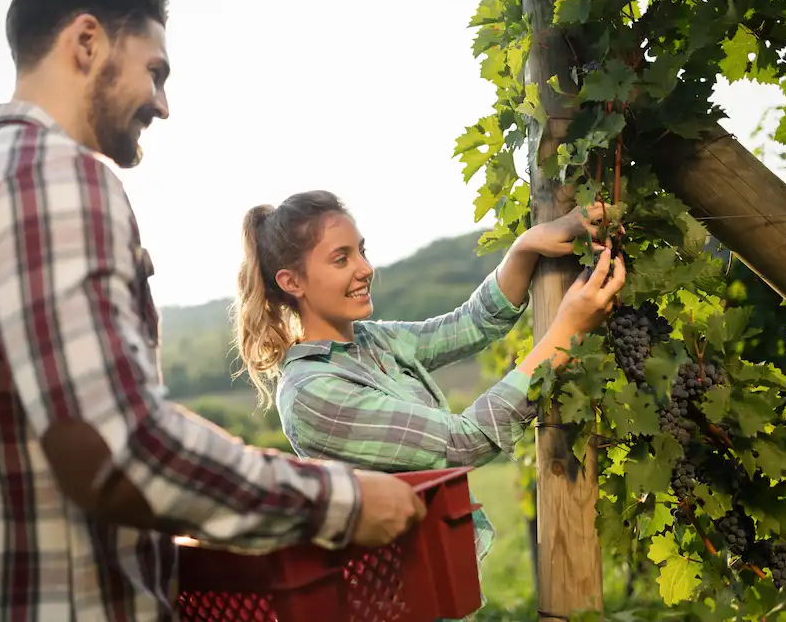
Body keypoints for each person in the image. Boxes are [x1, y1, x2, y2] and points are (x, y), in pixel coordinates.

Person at [0, 0, 426, 620]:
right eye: (154, 72)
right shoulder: (55, 178)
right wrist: (342, 502)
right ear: (86, 43)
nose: (162, 105)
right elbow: (121, 445)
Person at [232, 190, 626, 617]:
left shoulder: (370, 341)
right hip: (391, 604)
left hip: (431, 589)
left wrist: (526, 245)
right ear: (292, 282)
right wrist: (563, 335)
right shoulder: (314, 394)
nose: (366, 269)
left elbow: (469, 324)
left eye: (361, 251)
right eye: (341, 259)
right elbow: (461, 444)